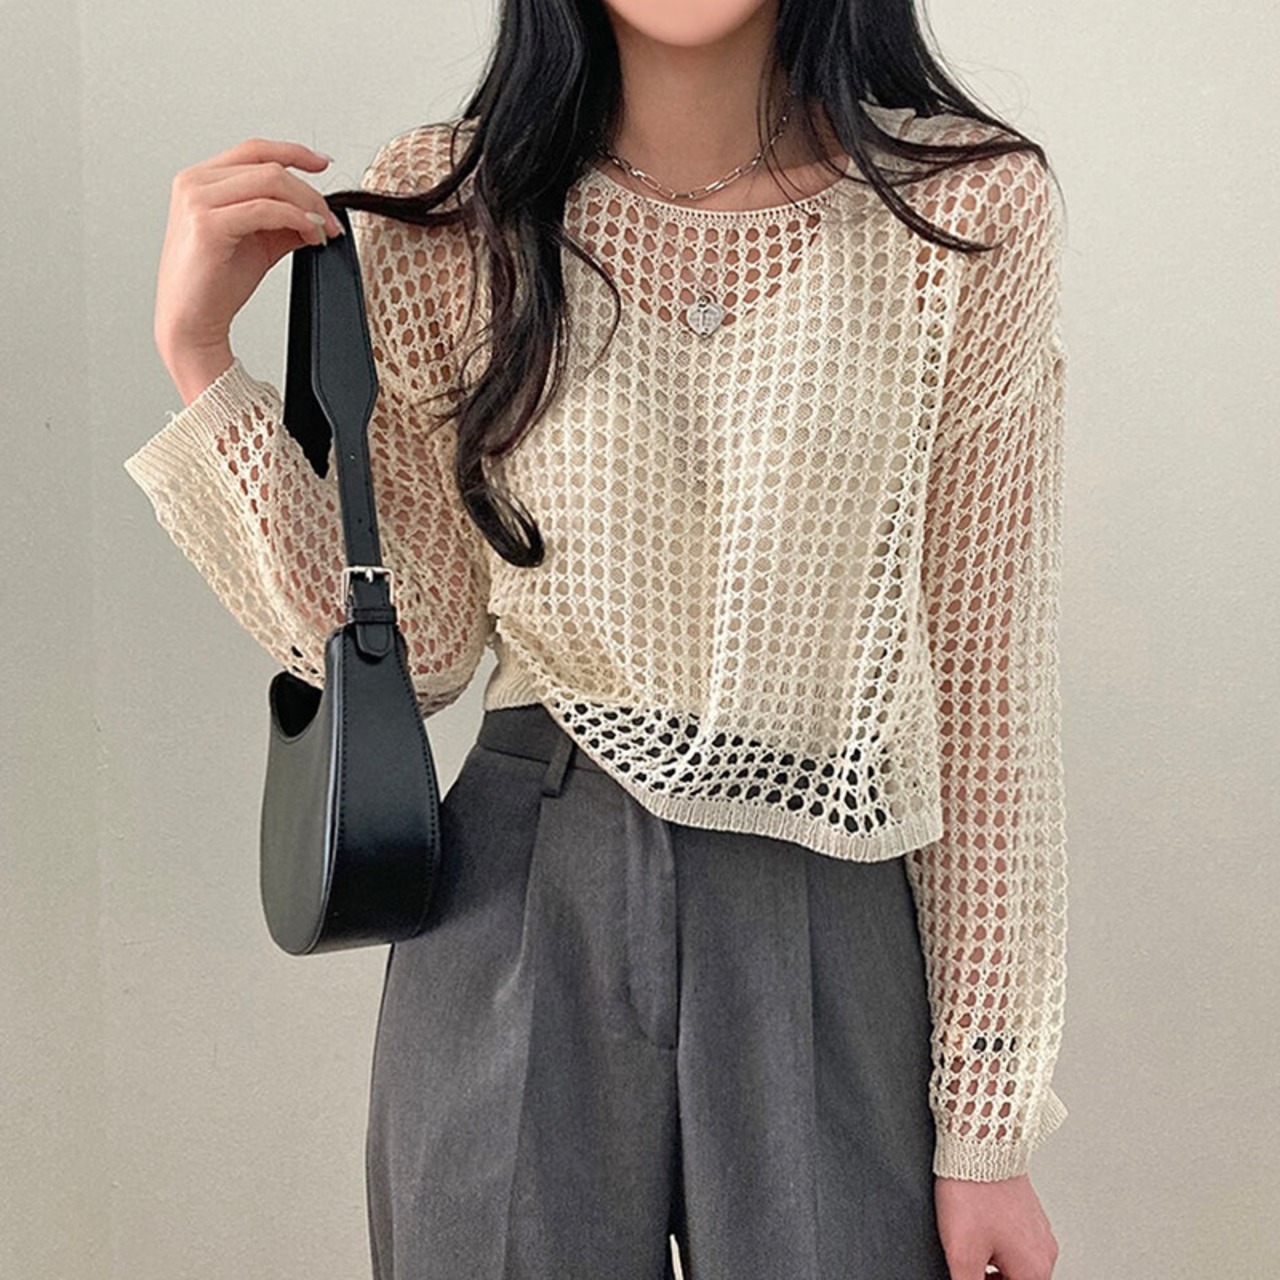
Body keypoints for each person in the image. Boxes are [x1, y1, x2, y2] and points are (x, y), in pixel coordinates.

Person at [123, 1, 1071, 1277]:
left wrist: (986, 1123)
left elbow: (982, 683)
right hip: (523, 883)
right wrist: (199, 361)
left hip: (824, 893)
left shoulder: (960, 211)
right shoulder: (449, 208)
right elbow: (420, 647)